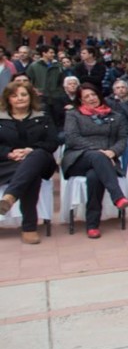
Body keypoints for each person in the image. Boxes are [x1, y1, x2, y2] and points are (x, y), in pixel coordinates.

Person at [61, 83, 128, 238]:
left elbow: (122, 139)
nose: (91, 98)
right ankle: (117, 196)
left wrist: (112, 152)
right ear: (80, 100)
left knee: (94, 176)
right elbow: (72, 138)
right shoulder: (74, 115)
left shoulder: (115, 116)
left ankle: (92, 225)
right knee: (97, 157)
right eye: (86, 96)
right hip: (78, 158)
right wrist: (98, 151)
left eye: (93, 94)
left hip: (107, 160)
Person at [0, 80, 59, 244]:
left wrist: (29, 150)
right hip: (7, 164)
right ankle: (29, 228)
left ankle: (10, 197)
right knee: (30, 174)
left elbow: (53, 143)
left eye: (23, 94)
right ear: (8, 99)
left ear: (30, 96)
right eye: (14, 95)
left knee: (36, 157)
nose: (19, 98)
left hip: (41, 160)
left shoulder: (43, 117)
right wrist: (9, 154)